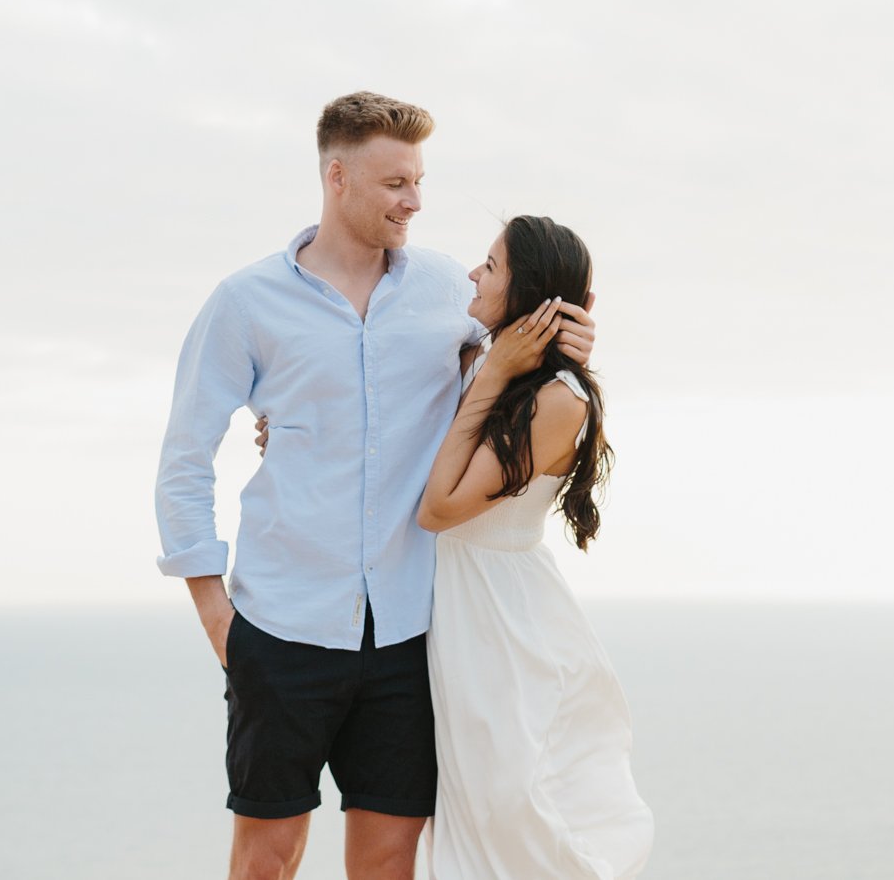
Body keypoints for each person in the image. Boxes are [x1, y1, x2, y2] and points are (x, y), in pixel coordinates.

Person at [153, 92, 599, 880]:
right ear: (337, 177)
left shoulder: (443, 289)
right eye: (396, 181)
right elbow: (186, 456)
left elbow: (514, 356)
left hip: (408, 635)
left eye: (419, 179)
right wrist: (215, 611)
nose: (415, 200)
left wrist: (576, 335)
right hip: (281, 627)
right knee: (267, 856)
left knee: (391, 862)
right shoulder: (246, 302)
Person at [416, 214, 653, 878]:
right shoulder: (475, 353)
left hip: (502, 622)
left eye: (489, 266)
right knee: (465, 815)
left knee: (511, 809)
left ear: (529, 299)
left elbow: (439, 508)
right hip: (453, 606)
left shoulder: (557, 400)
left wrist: (495, 372)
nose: (472, 273)